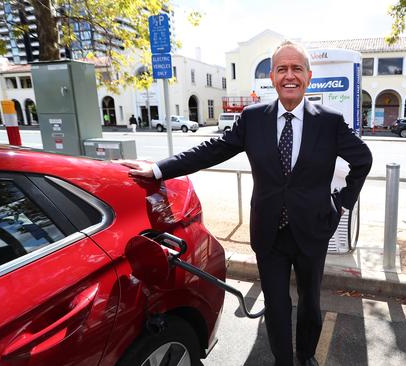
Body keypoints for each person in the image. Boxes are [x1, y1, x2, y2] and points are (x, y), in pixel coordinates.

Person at [122, 40, 372, 366]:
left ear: (308, 77)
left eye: (297, 68)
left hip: (312, 229)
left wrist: (341, 203)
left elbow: (363, 160)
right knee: (277, 303)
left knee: (310, 302)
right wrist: (158, 169)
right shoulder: (253, 118)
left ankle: (307, 354)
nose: (290, 75)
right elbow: (211, 149)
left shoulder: (329, 121)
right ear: (272, 76)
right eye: (282, 69)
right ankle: (284, 359)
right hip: (269, 232)